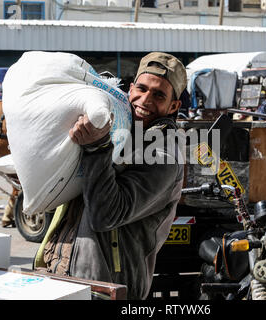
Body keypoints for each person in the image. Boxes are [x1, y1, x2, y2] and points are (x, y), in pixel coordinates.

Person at [33, 52, 187, 300]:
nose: (145, 100)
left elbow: (107, 215)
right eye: (142, 89)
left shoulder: (163, 154)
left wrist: (97, 148)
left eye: (159, 95)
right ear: (130, 89)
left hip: (108, 288)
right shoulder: (121, 128)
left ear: (173, 106)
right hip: (64, 274)